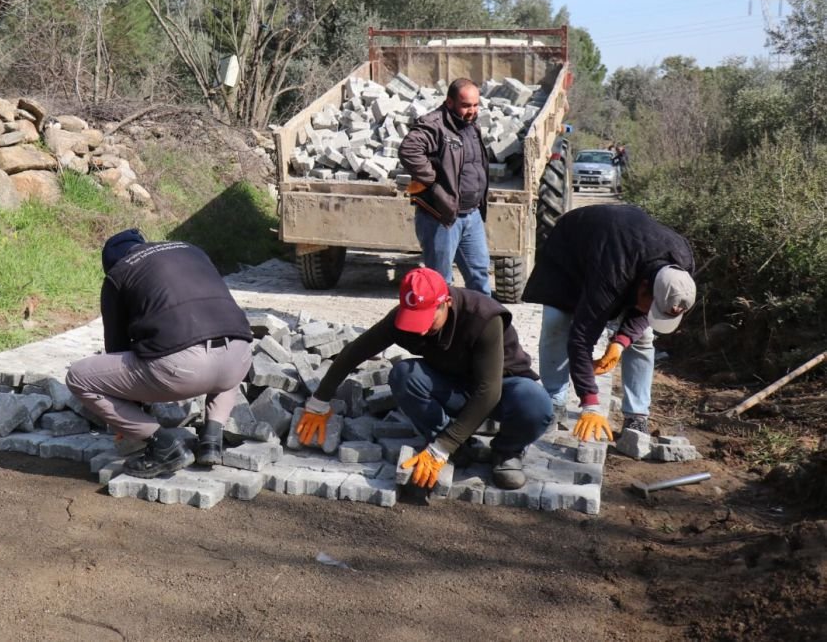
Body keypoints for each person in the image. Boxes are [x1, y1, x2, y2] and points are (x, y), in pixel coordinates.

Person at [297, 268, 552, 490]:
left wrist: (443, 447)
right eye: (414, 319)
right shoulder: (403, 318)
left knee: (536, 404)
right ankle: (459, 448)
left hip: (502, 389)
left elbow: (488, 390)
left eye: (428, 320)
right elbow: (357, 350)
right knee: (403, 374)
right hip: (452, 386)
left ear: (446, 302)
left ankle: (506, 451)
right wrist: (319, 401)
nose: (420, 328)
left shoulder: (483, 318)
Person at [65, 230, 254, 478]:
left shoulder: (118, 275)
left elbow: (118, 347)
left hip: (185, 370)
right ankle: (211, 438)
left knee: (77, 377)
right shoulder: (191, 249)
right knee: (225, 344)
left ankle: (164, 446)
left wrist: (130, 415)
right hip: (240, 358)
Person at [521, 205, 696, 440]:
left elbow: (646, 311)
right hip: (571, 251)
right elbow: (581, 338)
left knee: (643, 338)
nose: (651, 313)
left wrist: (620, 342)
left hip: (624, 252)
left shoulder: (681, 271)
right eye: (651, 306)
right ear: (643, 287)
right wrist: (590, 403)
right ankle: (554, 402)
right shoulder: (613, 274)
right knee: (557, 322)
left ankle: (637, 416)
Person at [398, 78, 492, 295]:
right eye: (466, 105)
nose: (472, 111)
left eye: (476, 105)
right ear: (449, 102)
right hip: (441, 218)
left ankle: (479, 326)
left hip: (472, 215)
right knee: (439, 284)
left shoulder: (471, 126)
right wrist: (434, 180)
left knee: (479, 277)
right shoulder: (434, 124)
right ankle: (442, 328)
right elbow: (409, 150)